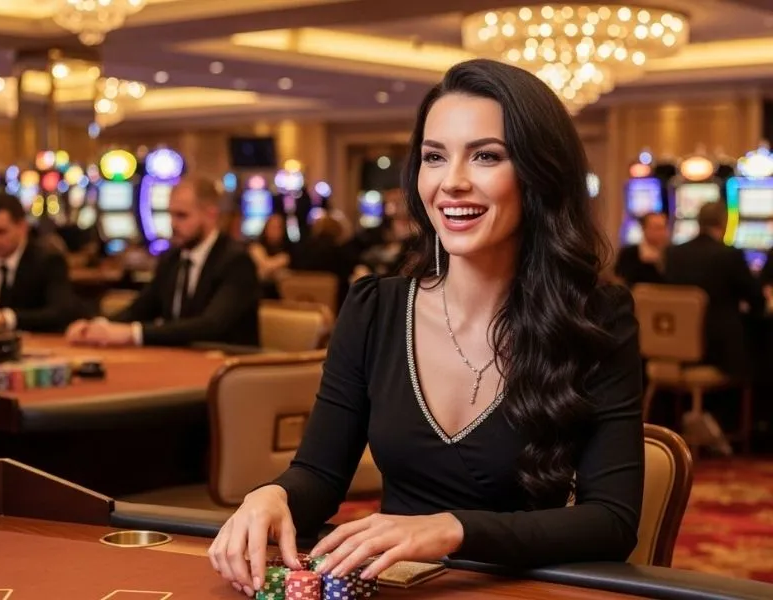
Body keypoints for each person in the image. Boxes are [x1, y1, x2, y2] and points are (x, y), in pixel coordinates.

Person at [208, 59, 644, 598]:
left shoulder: (597, 318)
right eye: (434, 157)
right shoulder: (374, 310)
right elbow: (318, 477)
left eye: (486, 156)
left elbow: (612, 522)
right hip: (401, 588)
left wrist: (449, 528)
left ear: (538, 174)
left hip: (519, 589)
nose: (452, 182)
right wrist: (271, 496)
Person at [66, 175, 260, 347]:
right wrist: (98, 326)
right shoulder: (172, 258)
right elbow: (141, 309)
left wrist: (133, 334)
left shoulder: (236, 261)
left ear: (210, 214)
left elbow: (211, 325)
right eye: (170, 214)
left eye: (181, 216)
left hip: (231, 369)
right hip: (183, 361)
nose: (173, 224)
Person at [664, 202, 764, 379]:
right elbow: (756, 299)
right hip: (719, 354)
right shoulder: (729, 254)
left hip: (675, 348)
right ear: (724, 222)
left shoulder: (673, 253)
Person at [0, 192, 85, 333]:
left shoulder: (48, 260)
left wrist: (4, 318)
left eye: (0, 232)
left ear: (22, 227)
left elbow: (61, 313)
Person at [614, 212, 668, 287]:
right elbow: (621, 280)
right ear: (644, 229)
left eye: (663, 228)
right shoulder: (629, 253)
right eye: (657, 228)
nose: (662, 232)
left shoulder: (672, 253)